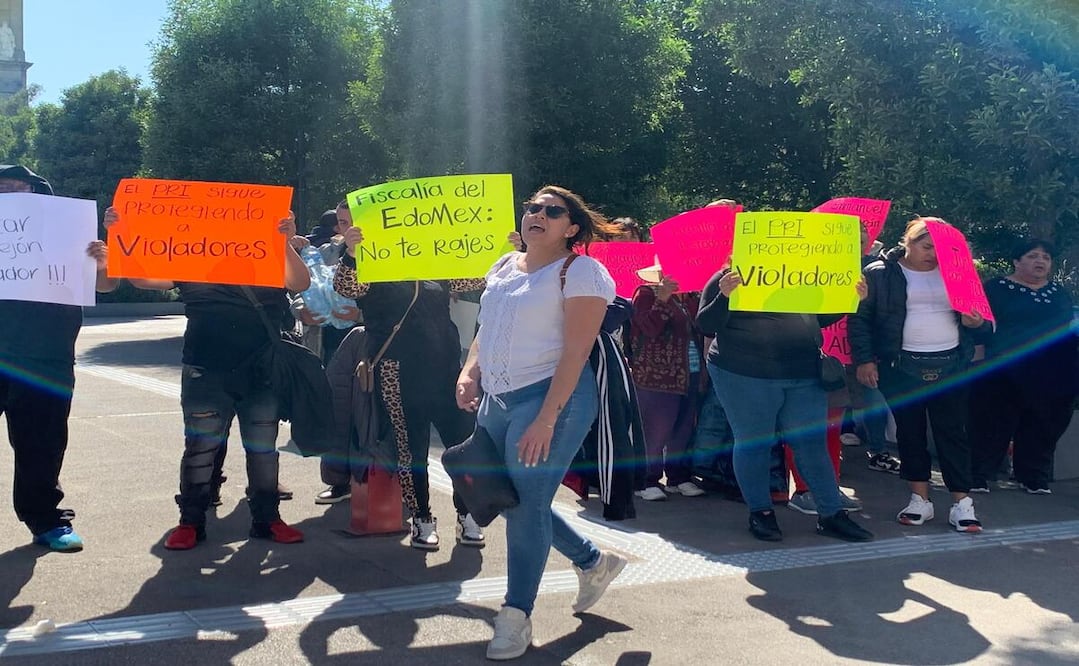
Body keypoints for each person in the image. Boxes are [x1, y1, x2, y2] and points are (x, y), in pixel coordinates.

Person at [457, 185, 628, 660]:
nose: (538, 214)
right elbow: (485, 331)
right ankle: (593, 562)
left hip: (555, 399)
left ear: (571, 229)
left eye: (552, 211)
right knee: (512, 497)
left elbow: (576, 351)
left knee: (527, 503)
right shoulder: (503, 266)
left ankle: (515, 616)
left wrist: (547, 418)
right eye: (533, 207)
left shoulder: (582, 272)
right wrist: (470, 371)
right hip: (497, 397)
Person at [103, 206, 311, 550]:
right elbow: (141, 278)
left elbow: (300, 282)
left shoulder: (269, 259)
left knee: (263, 450)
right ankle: (190, 522)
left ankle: (267, 518)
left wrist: (284, 243)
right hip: (205, 370)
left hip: (261, 371)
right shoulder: (191, 261)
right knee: (200, 448)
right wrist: (120, 233)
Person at [332, 200, 485, 550]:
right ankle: (421, 517)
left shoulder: (435, 262)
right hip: (395, 369)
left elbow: (478, 275)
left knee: (462, 442)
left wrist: (504, 248)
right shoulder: (370, 262)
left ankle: (467, 514)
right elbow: (346, 287)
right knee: (409, 447)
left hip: (446, 366)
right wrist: (353, 253)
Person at [696, 266, 874, 543]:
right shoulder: (726, 276)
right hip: (743, 371)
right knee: (754, 442)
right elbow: (706, 324)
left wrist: (850, 300)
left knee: (811, 443)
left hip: (801, 372)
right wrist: (725, 295)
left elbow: (819, 318)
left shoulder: (805, 274)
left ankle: (831, 514)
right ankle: (761, 512)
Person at [0, 165, 119, 552]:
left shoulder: (69, 235)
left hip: (47, 360)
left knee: (43, 444)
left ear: (40, 194)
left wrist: (102, 263)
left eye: (20, 189)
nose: (12, 196)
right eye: (3, 190)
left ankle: (46, 521)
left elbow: (106, 284)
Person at [849, 217, 991, 533]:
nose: (933, 255)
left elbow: (985, 322)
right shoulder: (879, 273)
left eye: (939, 249)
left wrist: (974, 323)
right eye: (927, 247)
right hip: (901, 365)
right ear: (909, 241)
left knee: (952, 433)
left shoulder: (958, 272)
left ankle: (962, 504)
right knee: (909, 432)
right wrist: (865, 360)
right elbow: (860, 320)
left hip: (951, 364)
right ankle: (919, 500)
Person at [968, 238, 1077, 494]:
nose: (1040, 261)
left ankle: (1032, 476)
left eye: (1046, 257)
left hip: (1051, 372)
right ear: (1017, 261)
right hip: (1002, 368)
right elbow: (980, 325)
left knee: (1043, 423)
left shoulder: (1058, 292)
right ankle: (980, 474)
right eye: (1032, 256)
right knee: (991, 422)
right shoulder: (996, 288)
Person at [628, 265, 706, 500]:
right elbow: (648, 329)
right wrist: (662, 300)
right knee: (655, 429)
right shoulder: (646, 294)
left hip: (689, 371)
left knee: (683, 428)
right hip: (656, 375)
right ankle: (645, 480)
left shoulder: (691, 295)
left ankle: (678, 477)